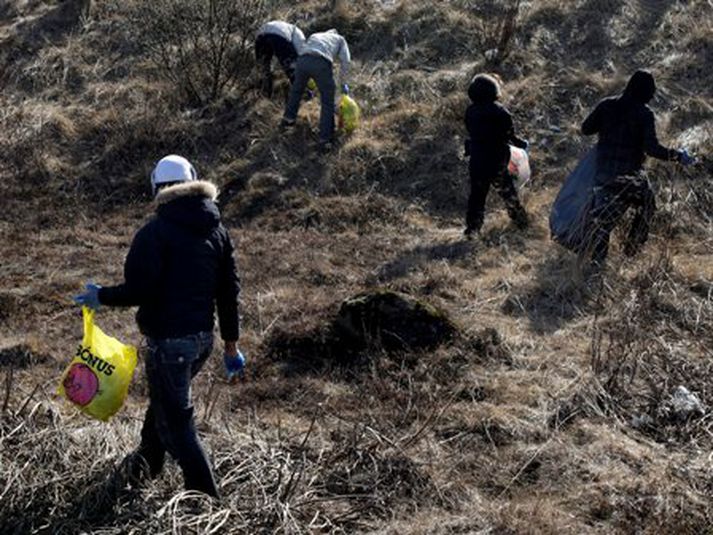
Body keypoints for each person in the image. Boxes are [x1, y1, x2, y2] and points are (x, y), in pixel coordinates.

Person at [74, 155, 242, 498]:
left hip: (169, 344)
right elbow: (229, 292)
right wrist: (231, 345)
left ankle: (206, 498)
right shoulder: (218, 231)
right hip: (201, 342)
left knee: (178, 425)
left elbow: (140, 290)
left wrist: (101, 296)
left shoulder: (155, 233)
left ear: (157, 188)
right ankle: (144, 469)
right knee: (163, 405)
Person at [581, 70, 695, 268]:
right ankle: (631, 249)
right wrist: (679, 156)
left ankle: (596, 269)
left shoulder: (606, 105)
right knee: (648, 204)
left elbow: (586, 129)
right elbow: (651, 149)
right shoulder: (644, 113)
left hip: (602, 174)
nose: (651, 97)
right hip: (629, 177)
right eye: (651, 92)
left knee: (603, 223)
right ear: (644, 91)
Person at [464, 73, 529, 238]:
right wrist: (522, 145)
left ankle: (472, 230)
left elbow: (471, 132)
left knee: (477, 197)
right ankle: (522, 223)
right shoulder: (500, 111)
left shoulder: (470, 111)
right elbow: (510, 135)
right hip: (496, 161)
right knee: (508, 193)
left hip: (477, 160)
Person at [281, 28, 351, 152]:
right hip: (321, 62)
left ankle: (287, 121)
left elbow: (302, 48)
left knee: (296, 91)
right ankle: (325, 139)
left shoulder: (315, 35)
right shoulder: (340, 40)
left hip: (302, 61)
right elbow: (346, 61)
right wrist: (344, 83)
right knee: (327, 101)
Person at [255, 20, 306, 98]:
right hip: (279, 35)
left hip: (261, 34)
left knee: (263, 68)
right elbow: (298, 58)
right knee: (291, 67)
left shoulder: (291, 28)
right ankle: (303, 93)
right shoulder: (301, 37)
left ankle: (264, 94)